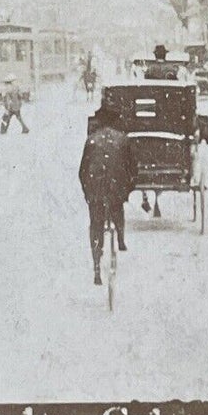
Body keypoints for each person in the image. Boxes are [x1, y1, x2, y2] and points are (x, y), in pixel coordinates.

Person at [78, 105, 138, 285]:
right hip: (116, 188)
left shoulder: (91, 141)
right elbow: (132, 169)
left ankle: (96, 264)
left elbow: (82, 171)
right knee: (117, 208)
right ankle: (120, 237)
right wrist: (126, 190)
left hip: (95, 189)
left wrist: (88, 193)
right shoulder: (123, 140)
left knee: (95, 225)